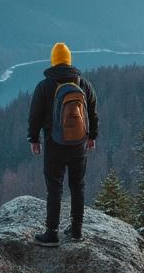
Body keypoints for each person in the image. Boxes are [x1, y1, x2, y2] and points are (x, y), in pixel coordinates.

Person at [27, 42, 98, 246]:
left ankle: (52, 233)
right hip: (78, 144)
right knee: (78, 186)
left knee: (55, 188)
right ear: (69, 60)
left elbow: (35, 116)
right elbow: (92, 113)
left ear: (53, 60)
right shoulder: (83, 84)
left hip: (54, 143)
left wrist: (34, 139)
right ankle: (76, 231)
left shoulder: (45, 86)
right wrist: (92, 136)